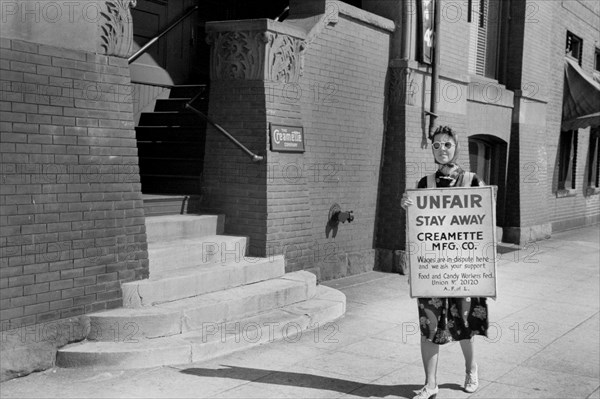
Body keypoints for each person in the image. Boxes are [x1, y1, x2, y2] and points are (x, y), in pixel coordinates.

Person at [401, 125, 489, 399]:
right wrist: (407, 204)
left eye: (447, 144)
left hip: (462, 268)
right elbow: (417, 227)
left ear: (456, 147)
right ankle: (430, 384)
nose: (442, 150)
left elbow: (484, 220)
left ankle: (470, 369)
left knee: (463, 323)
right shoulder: (423, 184)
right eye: (436, 145)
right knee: (430, 325)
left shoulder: (473, 181)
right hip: (431, 268)